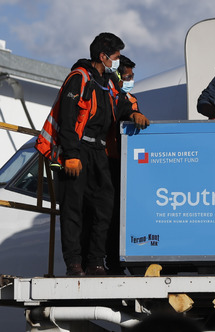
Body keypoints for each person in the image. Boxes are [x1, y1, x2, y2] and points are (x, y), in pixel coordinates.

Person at [35, 32, 150, 276]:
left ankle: (96, 262)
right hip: (78, 150)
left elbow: (119, 104)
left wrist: (132, 113)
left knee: (104, 206)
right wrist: (71, 155)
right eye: (116, 57)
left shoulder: (106, 83)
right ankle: (74, 264)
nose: (118, 62)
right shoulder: (79, 78)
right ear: (103, 56)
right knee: (74, 210)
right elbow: (67, 120)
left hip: (99, 152)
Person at [104, 54, 138, 274]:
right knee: (106, 214)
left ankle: (119, 261)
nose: (131, 79)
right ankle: (107, 261)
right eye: (127, 76)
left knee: (120, 215)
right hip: (106, 159)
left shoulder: (130, 100)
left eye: (132, 76)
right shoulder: (106, 95)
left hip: (124, 164)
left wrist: (137, 113)